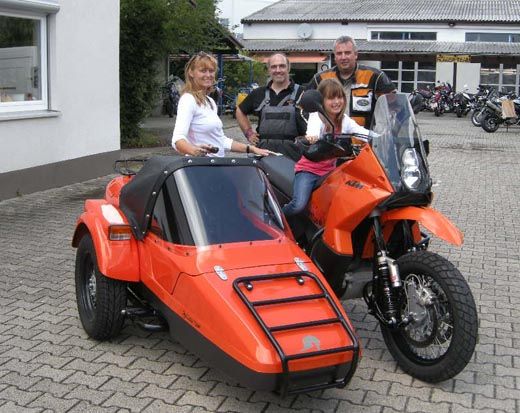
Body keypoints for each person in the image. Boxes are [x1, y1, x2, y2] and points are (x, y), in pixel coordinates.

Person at [282, 78, 371, 216]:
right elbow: (313, 130)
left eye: (339, 97)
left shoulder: (344, 120)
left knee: (347, 199)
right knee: (298, 205)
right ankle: (275, 219)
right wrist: (312, 137)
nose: (336, 101)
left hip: (331, 172)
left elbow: (362, 132)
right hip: (309, 171)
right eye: (331, 98)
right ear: (321, 101)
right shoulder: (316, 117)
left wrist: (381, 136)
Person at [172, 52, 270, 157]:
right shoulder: (188, 99)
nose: (208, 75)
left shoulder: (210, 102)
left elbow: (220, 141)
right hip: (199, 164)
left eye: (211, 71)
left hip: (216, 164)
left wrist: (251, 149)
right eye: (203, 71)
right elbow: (177, 140)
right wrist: (194, 150)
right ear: (191, 73)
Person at [307, 36, 396, 128]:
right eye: (339, 53)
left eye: (347, 53)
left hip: (364, 136)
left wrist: (380, 132)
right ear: (335, 56)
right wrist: (313, 130)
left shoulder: (375, 76)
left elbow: (395, 108)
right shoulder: (320, 78)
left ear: (356, 54)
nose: (343, 57)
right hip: (330, 136)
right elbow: (303, 109)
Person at [235, 53, 306, 161]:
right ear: (269, 70)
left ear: (288, 68)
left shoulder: (303, 93)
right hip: (263, 154)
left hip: (294, 155)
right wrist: (249, 133)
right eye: (274, 67)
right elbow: (240, 111)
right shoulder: (258, 93)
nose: (278, 70)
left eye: (282, 66)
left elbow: (318, 117)